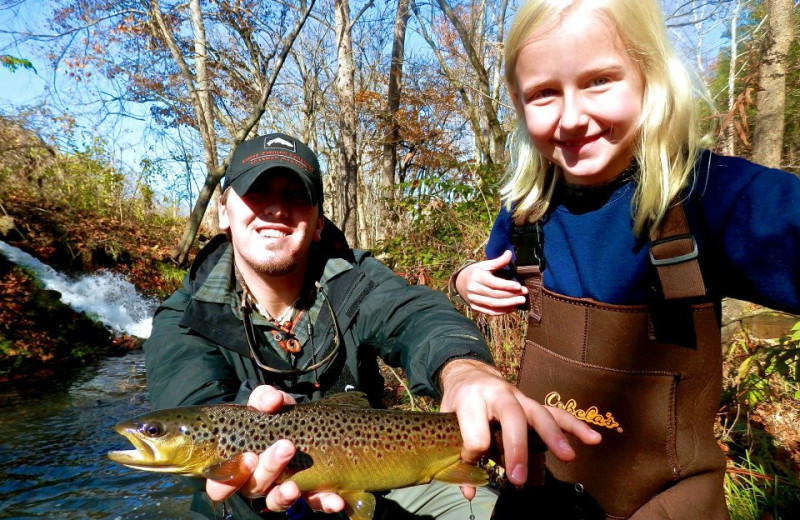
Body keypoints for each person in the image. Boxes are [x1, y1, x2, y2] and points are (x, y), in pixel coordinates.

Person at [451, 1, 800, 519]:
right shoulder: (526, 213)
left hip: (668, 505)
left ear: (650, 78)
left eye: (599, 81)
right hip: (540, 492)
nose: (571, 118)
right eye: (544, 93)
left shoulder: (717, 198)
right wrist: (466, 281)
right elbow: (493, 273)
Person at [143, 132, 599, 519]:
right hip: (244, 509)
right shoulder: (181, 318)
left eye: (295, 195)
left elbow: (417, 314)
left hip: (381, 484)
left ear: (319, 222)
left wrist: (464, 369)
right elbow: (195, 402)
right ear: (224, 212)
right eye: (256, 194)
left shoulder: (353, 278)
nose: (276, 210)